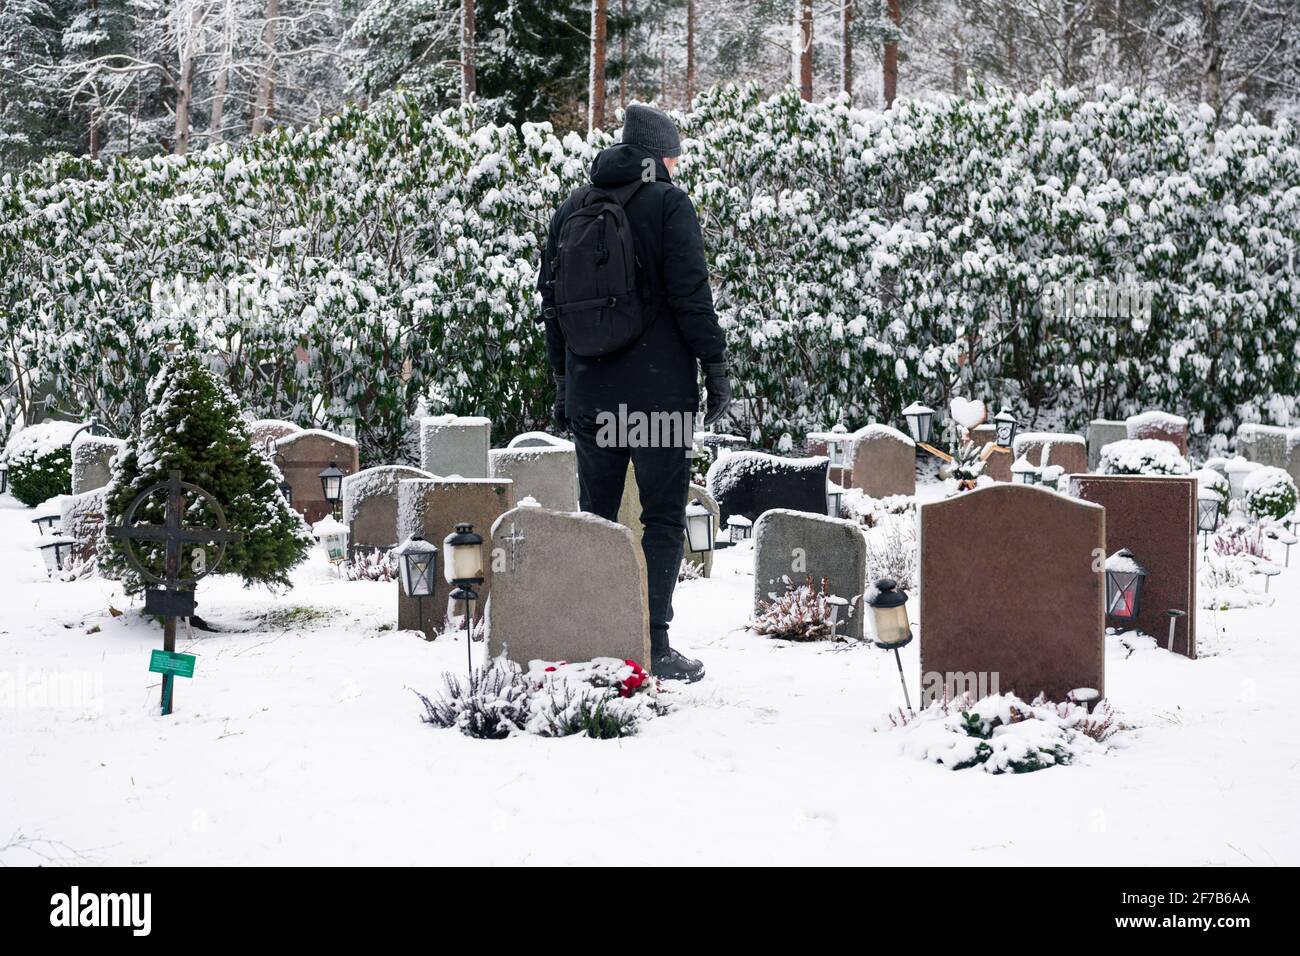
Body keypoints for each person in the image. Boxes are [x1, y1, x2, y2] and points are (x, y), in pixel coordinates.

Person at [538, 103, 731, 683]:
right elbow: (691, 294)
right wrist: (714, 365)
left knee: (595, 516)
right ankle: (653, 640)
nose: (676, 164)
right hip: (657, 398)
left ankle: (597, 631)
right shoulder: (669, 204)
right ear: (657, 156)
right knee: (663, 517)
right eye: (673, 154)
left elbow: (552, 307)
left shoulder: (573, 206)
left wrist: (562, 381)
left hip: (591, 393)